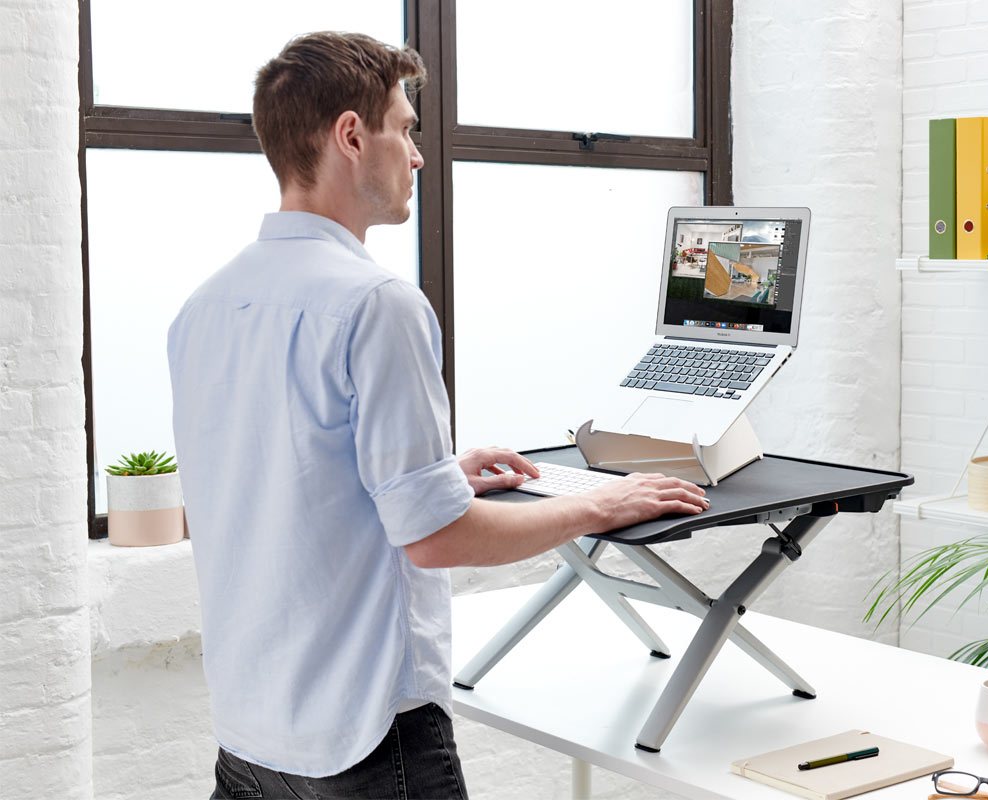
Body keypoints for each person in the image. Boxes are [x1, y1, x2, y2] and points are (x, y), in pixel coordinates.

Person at [166, 32, 708, 800]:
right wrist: (596, 505)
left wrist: (437, 476)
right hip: (367, 740)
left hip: (252, 740)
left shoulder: (206, 306)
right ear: (352, 136)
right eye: (407, 128)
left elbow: (280, 478)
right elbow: (436, 539)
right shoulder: (375, 303)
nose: (418, 155)